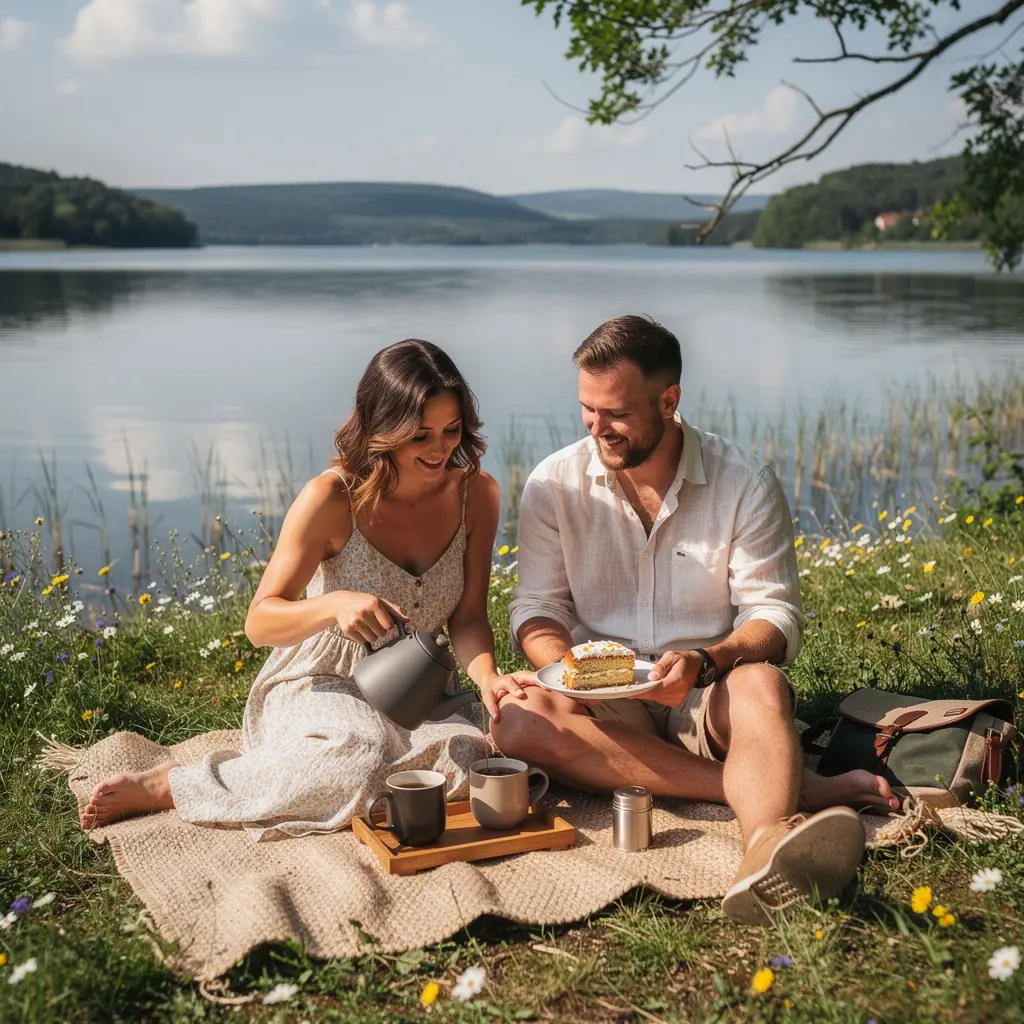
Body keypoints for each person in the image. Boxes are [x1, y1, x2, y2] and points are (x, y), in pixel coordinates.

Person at [495, 315, 899, 925]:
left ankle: (763, 842)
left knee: (764, 684)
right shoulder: (553, 483)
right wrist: (564, 666)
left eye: (617, 414)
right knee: (515, 724)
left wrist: (708, 660)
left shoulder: (745, 481)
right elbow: (536, 608)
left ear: (670, 400)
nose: (597, 428)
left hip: (704, 689)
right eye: (587, 410)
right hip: (602, 697)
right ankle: (776, 785)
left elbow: (775, 614)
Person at [81, 340, 537, 839]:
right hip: (320, 679)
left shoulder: (477, 495)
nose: (440, 448)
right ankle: (175, 784)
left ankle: (308, 772)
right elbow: (259, 622)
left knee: (474, 757)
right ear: (383, 427)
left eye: (451, 430)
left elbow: (468, 618)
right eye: (419, 434)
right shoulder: (332, 496)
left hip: (417, 690)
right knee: (355, 755)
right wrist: (332, 604)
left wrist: (489, 677)